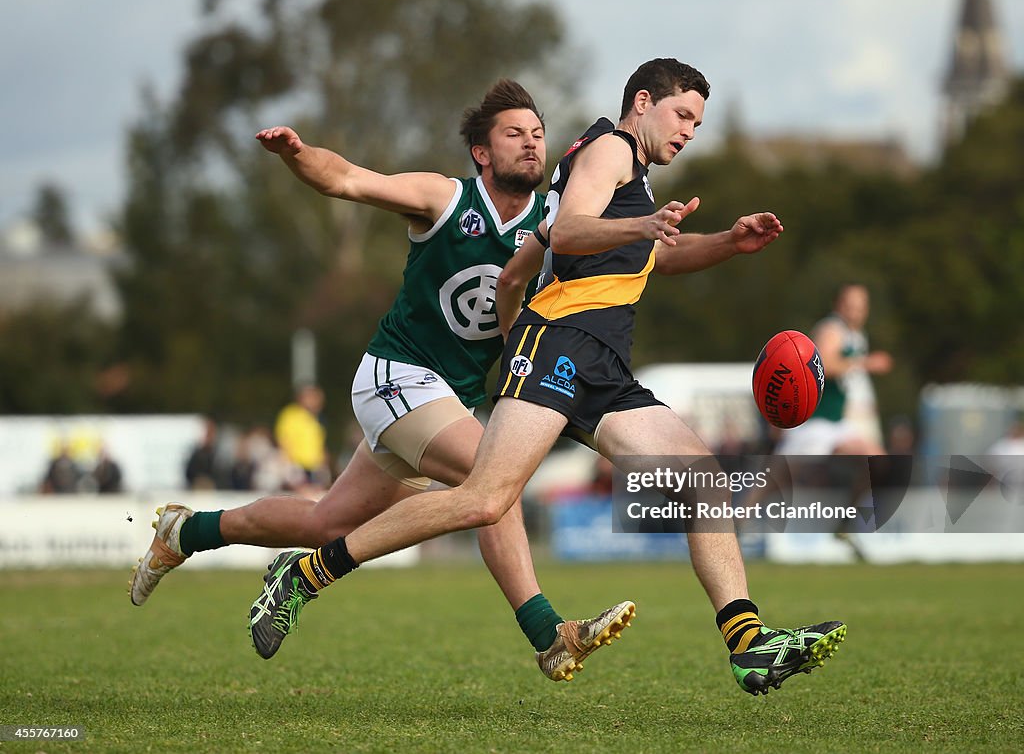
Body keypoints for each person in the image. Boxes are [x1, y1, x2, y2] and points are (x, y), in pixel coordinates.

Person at [250, 59, 847, 695]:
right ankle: (307, 574)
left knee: (702, 482)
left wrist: (728, 240)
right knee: (486, 499)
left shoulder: (627, 181)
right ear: (641, 102)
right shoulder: (610, 150)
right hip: (562, 343)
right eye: (681, 115)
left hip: (603, 365)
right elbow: (568, 232)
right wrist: (639, 229)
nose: (689, 132)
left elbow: (572, 263)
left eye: (697, 123)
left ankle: (749, 645)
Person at [129, 79, 633, 683]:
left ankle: (187, 531)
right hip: (396, 377)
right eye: (513, 134)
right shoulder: (445, 198)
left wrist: (716, 242)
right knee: (490, 481)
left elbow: (637, 257)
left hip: (445, 403)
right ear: (481, 151)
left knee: (326, 524)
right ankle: (549, 633)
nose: (531, 144)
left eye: (537, 134)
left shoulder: (556, 225)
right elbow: (347, 178)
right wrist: (298, 154)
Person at [775, 283, 893, 456]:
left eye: (860, 307)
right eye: (850, 306)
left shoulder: (856, 336)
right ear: (838, 305)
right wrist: (867, 363)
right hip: (815, 425)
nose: (855, 313)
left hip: (836, 423)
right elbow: (822, 366)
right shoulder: (832, 329)